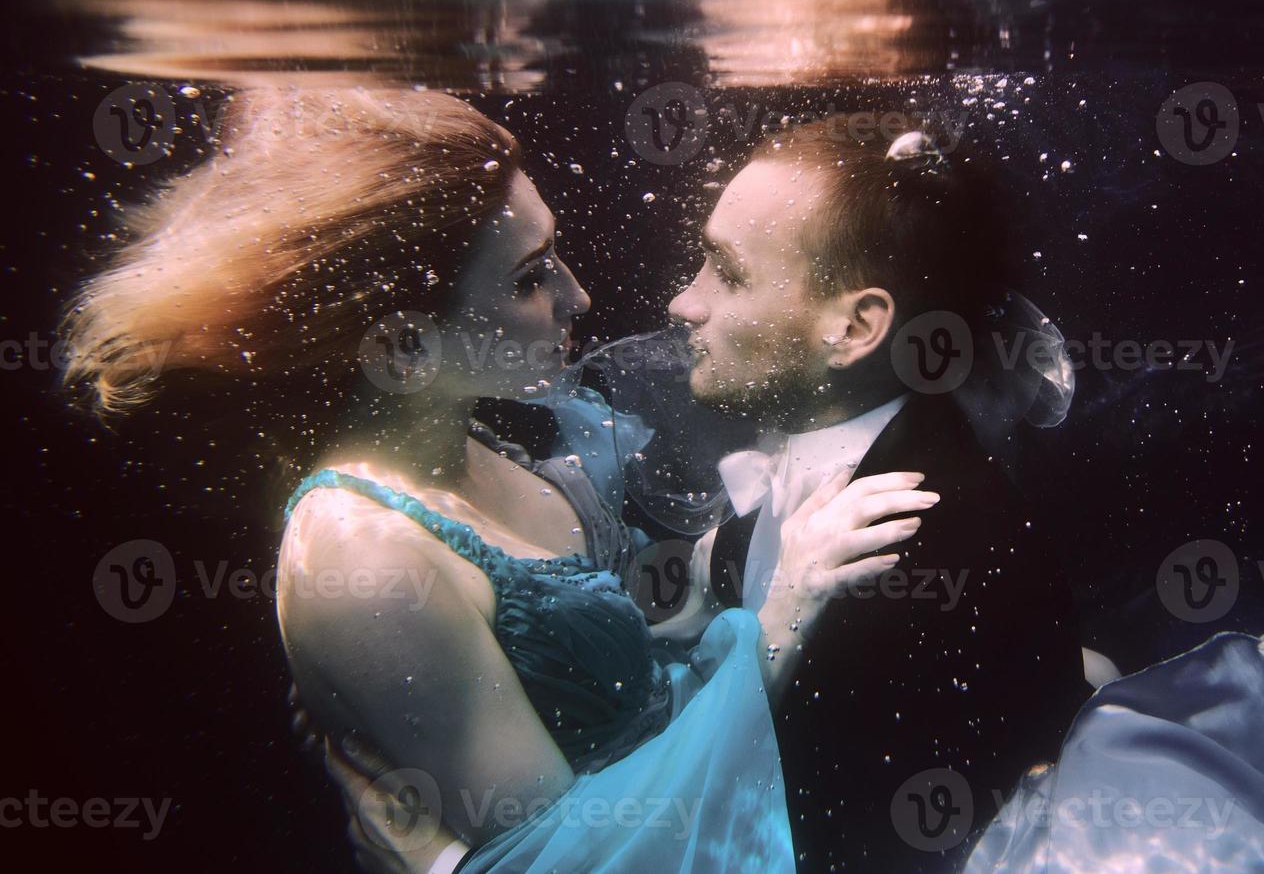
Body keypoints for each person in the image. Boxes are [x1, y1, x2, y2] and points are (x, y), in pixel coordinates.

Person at [60, 88, 937, 874]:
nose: (579, 296)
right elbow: (571, 861)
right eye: (529, 278)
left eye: (552, 256)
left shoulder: (477, 440)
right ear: (404, 347)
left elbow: (622, 653)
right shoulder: (362, 557)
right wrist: (779, 620)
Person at [665, 119, 1092, 872]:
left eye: (725, 273)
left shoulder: (934, 555)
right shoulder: (833, 463)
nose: (683, 304)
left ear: (855, 327)